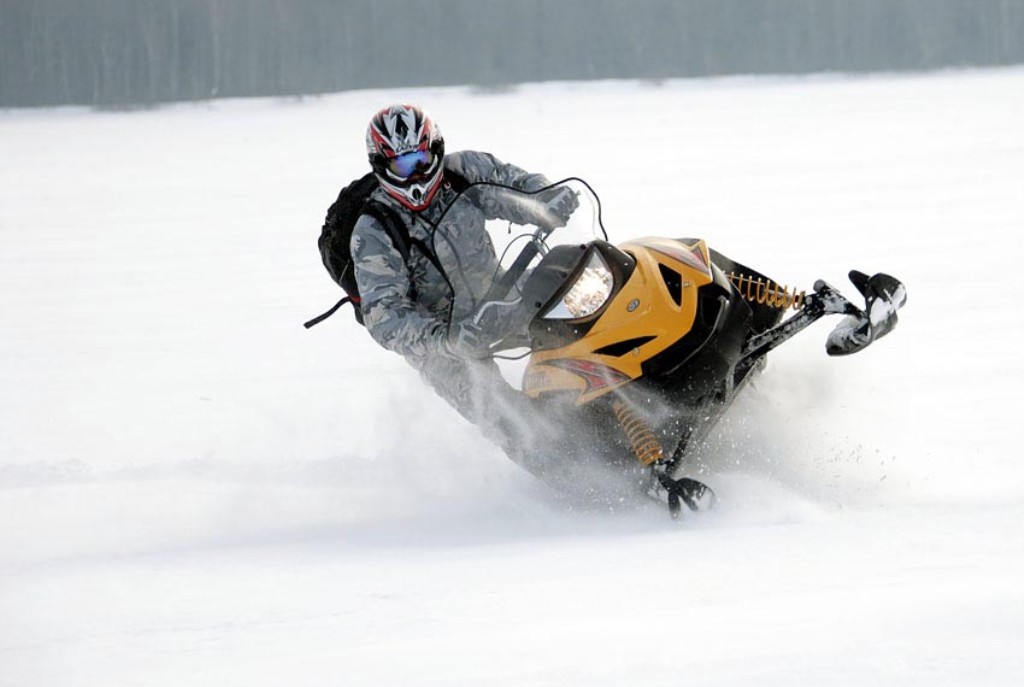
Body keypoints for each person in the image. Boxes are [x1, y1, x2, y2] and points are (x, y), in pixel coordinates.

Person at [348, 104, 578, 474]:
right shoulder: (375, 230)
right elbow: (384, 316)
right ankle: (571, 478)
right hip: (439, 338)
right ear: (381, 167)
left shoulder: (463, 172)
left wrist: (545, 198)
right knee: (504, 416)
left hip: (499, 292)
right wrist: (447, 340)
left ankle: (619, 400)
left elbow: (512, 186)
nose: (416, 175)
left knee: (581, 307)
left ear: (436, 149)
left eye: (421, 160)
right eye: (402, 166)